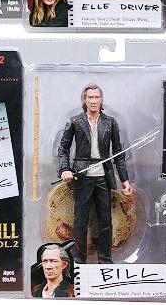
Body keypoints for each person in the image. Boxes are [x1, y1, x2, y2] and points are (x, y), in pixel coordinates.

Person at [58, 84, 133, 264]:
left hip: (103, 178)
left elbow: (118, 153)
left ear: (101, 99)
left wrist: (125, 180)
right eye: (90, 97)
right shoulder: (75, 121)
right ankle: (78, 260)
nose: (93, 101)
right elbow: (63, 149)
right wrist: (65, 169)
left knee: (105, 220)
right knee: (80, 221)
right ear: (84, 100)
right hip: (81, 177)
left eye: (96, 97)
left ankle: (105, 260)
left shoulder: (110, 122)